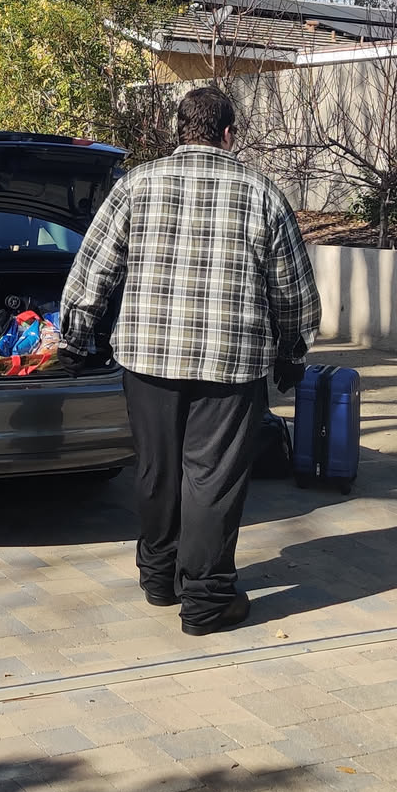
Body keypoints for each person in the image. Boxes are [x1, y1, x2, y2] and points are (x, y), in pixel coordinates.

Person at [60, 86, 321, 636]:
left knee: (156, 469)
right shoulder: (262, 192)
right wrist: (292, 351)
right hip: (231, 362)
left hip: (148, 358)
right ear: (228, 133)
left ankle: (159, 576)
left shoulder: (137, 185)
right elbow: (293, 291)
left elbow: (93, 267)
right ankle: (205, 599)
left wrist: (76, 338)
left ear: (179, 129)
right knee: (212, 479)